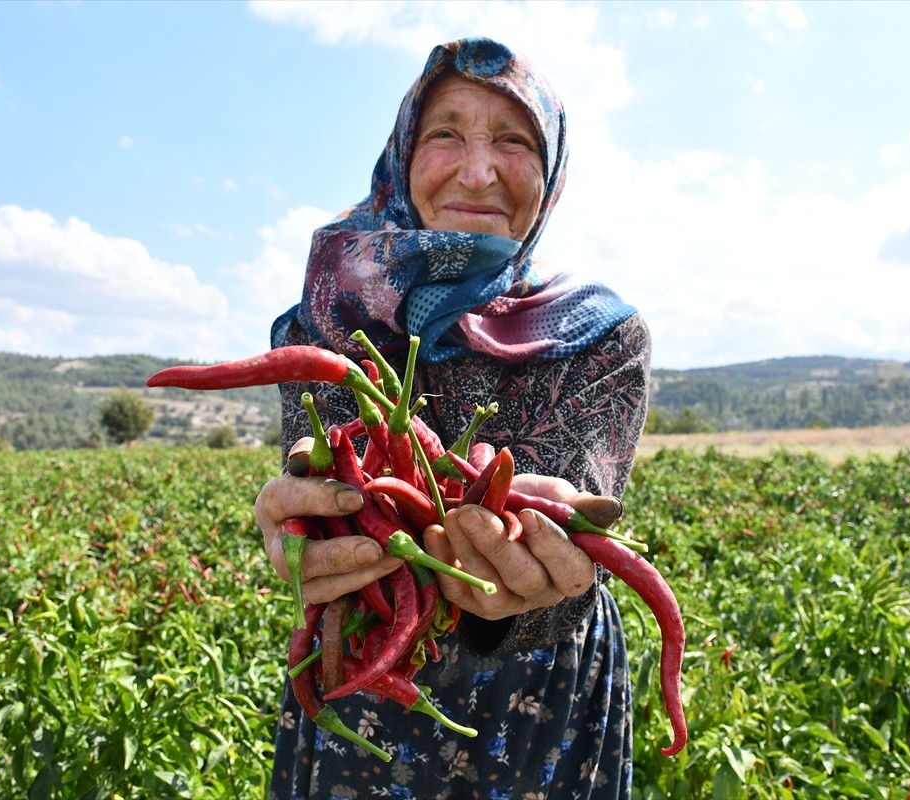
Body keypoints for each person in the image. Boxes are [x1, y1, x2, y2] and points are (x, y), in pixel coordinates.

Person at [254, 37, 651, 799]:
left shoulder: (599, 333)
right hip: (373, 665)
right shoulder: (331, 317)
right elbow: (333, 489)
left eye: (514, 140)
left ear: (552, 173)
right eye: (446, 134)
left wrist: (544, 567)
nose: (479, 171)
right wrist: (303, 522)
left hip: (543, 696)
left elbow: (570, 518)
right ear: (403, 154)